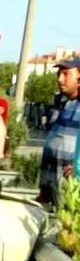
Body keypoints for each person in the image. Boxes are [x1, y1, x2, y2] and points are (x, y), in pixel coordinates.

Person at [40, 58, 80, 207]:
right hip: (52, 186)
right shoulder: (61, 104)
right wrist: (44, 191)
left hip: (72, 189)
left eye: (66, 74)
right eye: (58, 74)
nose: (60, 79)